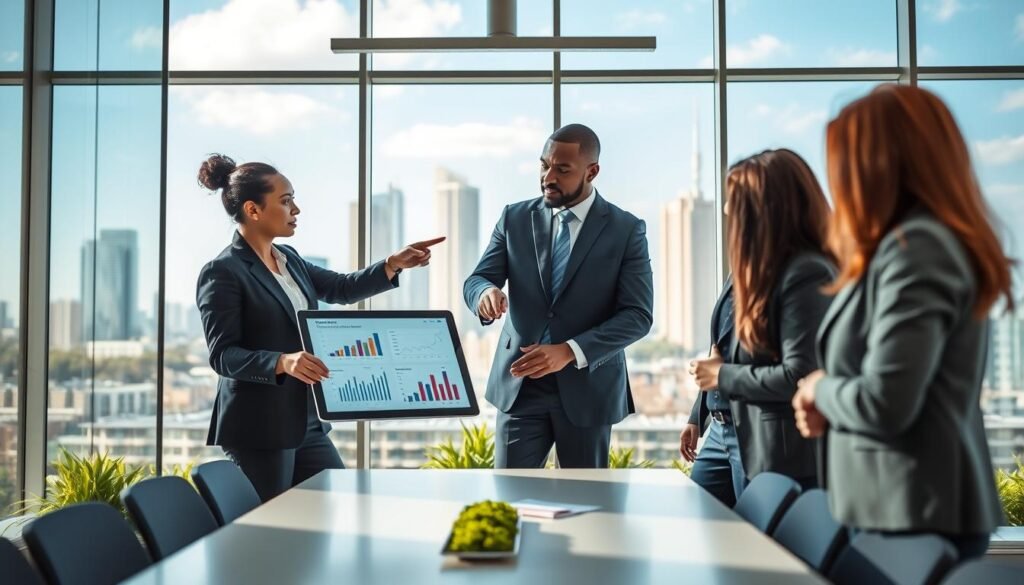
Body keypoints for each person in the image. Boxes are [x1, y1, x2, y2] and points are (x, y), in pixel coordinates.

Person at [791, 84, 1013, 559]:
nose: (838, 183)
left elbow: (886, 401)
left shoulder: (919, 250)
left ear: (880, 166)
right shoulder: (902, 248)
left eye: (843, 164)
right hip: (889, 506)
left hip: (913, 512)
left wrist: (818, 388)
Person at [195, 153, 443, 501]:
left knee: (334, 505)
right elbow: (224, 356)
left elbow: (341, 287)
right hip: (260, 428)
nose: (296, 209)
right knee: (274, 525)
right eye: (286, 201)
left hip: (306, 421)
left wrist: (392, 264)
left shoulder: (289, 259)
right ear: (253, 210)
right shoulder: (222, 271)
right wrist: (283, 362)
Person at [463, 124, 654, 468]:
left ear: (591, 172)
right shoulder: (515, 218)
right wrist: (485, 294)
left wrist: (569, 351)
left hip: (589, 387)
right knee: (511, 495)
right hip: (519, 384)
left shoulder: (626, 230)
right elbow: (478, 278)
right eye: (544, 165)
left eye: (562, 169)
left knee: (587, 502)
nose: (548, 177)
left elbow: (637, 316)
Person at [680, 149, 835, 507]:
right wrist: (698, 414)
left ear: (768, 208)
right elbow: (723, 351)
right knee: (698, 525)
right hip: (722, 429)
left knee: (760, 547)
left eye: (737, 202)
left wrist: (722, 378)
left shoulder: (805, 273)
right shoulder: (747, 269)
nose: (727, 212)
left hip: (767, 441)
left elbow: (800, 373)